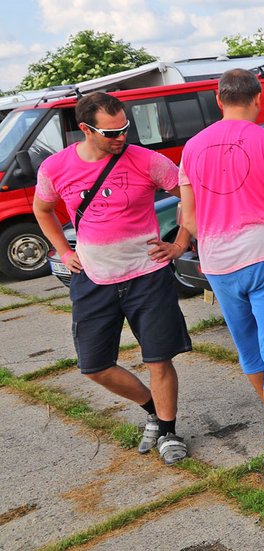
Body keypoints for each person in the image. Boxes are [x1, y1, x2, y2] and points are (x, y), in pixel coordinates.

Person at [32, 92, 192, 465]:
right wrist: (64, 250)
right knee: (94, 366)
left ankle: (168, 431)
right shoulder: (56, 168)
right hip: (93, 278)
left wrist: (181, 242)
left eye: (125, 127)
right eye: (112, 131)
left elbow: (189, 195)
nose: (122, 136)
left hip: (147, 276)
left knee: (159, 360)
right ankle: (153, 408)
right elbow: (42, 209)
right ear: (86, 129)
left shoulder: (147, 161)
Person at [178, 68, 264, 486]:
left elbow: (189, 218)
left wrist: (217, 241)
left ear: (219, 100)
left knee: (250, 349)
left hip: (218, 263)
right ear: (258, 99)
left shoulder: (191, 148)